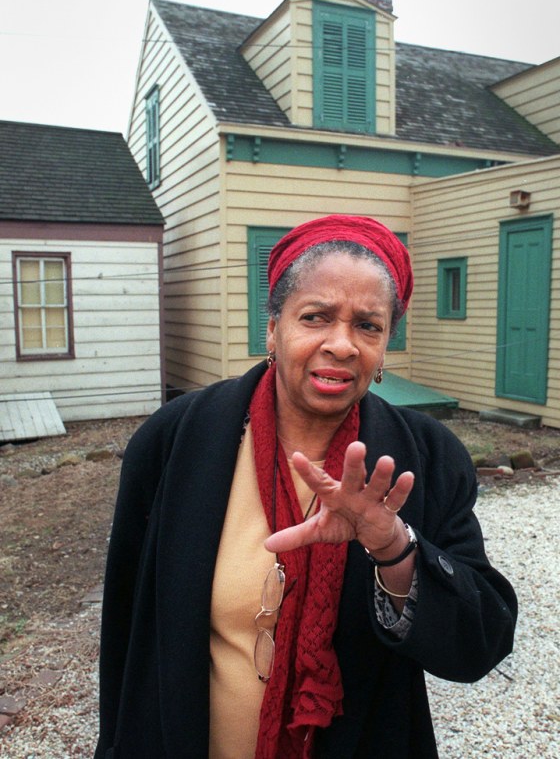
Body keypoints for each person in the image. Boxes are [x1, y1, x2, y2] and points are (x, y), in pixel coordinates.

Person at [94, 214, 517, 759]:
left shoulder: (427, 458)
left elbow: (477, 644)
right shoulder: (175, 442)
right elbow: (127, 630)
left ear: (385, 346)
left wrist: (393, 547)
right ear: (272, 328)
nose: (342, 345)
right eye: (315, 317)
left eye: (368, 326)